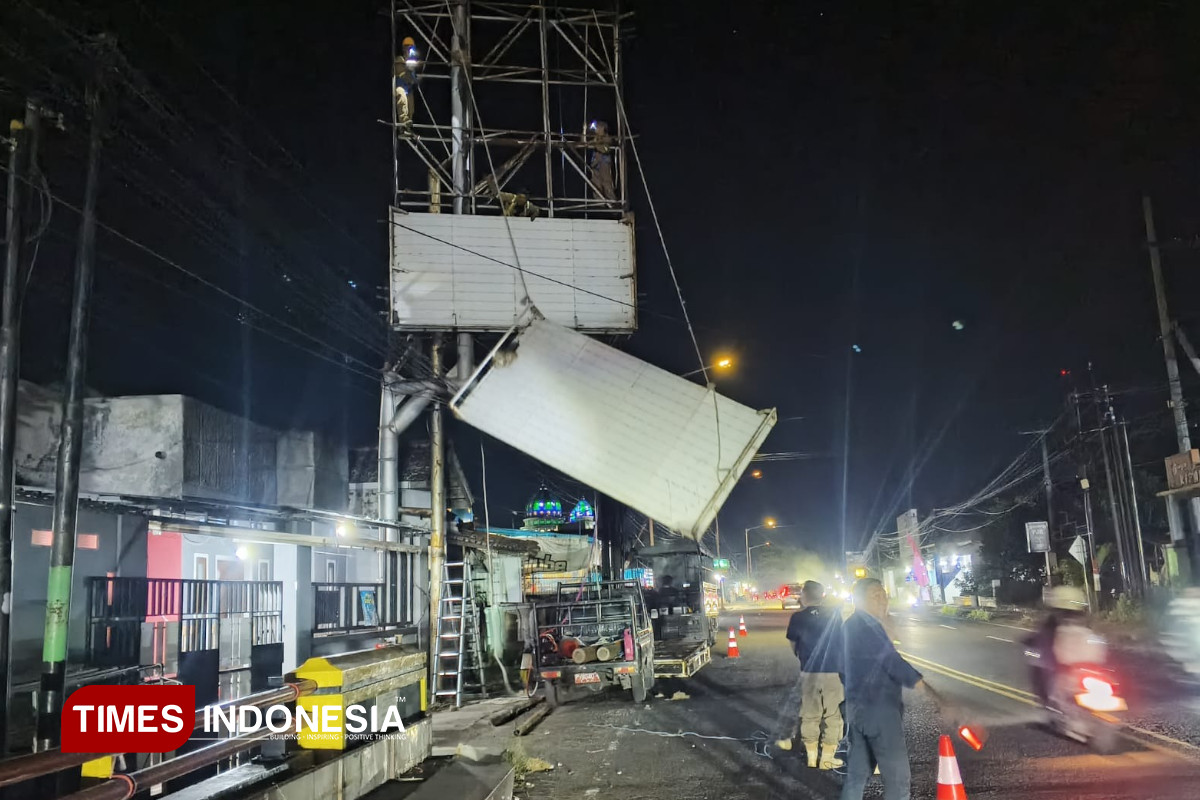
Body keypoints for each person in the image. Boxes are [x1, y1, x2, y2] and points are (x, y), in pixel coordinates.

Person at [840, 578, 946, 800]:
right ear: (858, 600)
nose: (882, 598)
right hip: (879, 709)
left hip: (857, 708)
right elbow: (893, 663)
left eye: (883, 593)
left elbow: (843, 667)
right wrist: (934, 695)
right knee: (898, 780)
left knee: (858, 775)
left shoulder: (851, 624)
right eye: (874, 595)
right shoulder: (867, 626)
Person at [778, 581, 845, 769]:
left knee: (810, 714)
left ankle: (811, 756)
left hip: (809, 671)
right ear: (822, 595)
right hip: (832, 670)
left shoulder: (797, 617)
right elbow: (841, 640)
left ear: (804, 596)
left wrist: (802, 655)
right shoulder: (834, 615)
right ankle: (827, 758)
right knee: (833, 714)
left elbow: (793, 643)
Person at [394, 37, 420, 136]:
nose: (409, 51)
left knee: (410, 106)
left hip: (408, 88)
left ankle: (407, 126)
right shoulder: (399, 60)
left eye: (411, 48)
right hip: (400, 86)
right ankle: (403, 121)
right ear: (404, 49)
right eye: (408, 48)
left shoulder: (411, 62)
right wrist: (410, 76)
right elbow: (402, 73)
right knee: (402, 99)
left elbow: (413, 77)